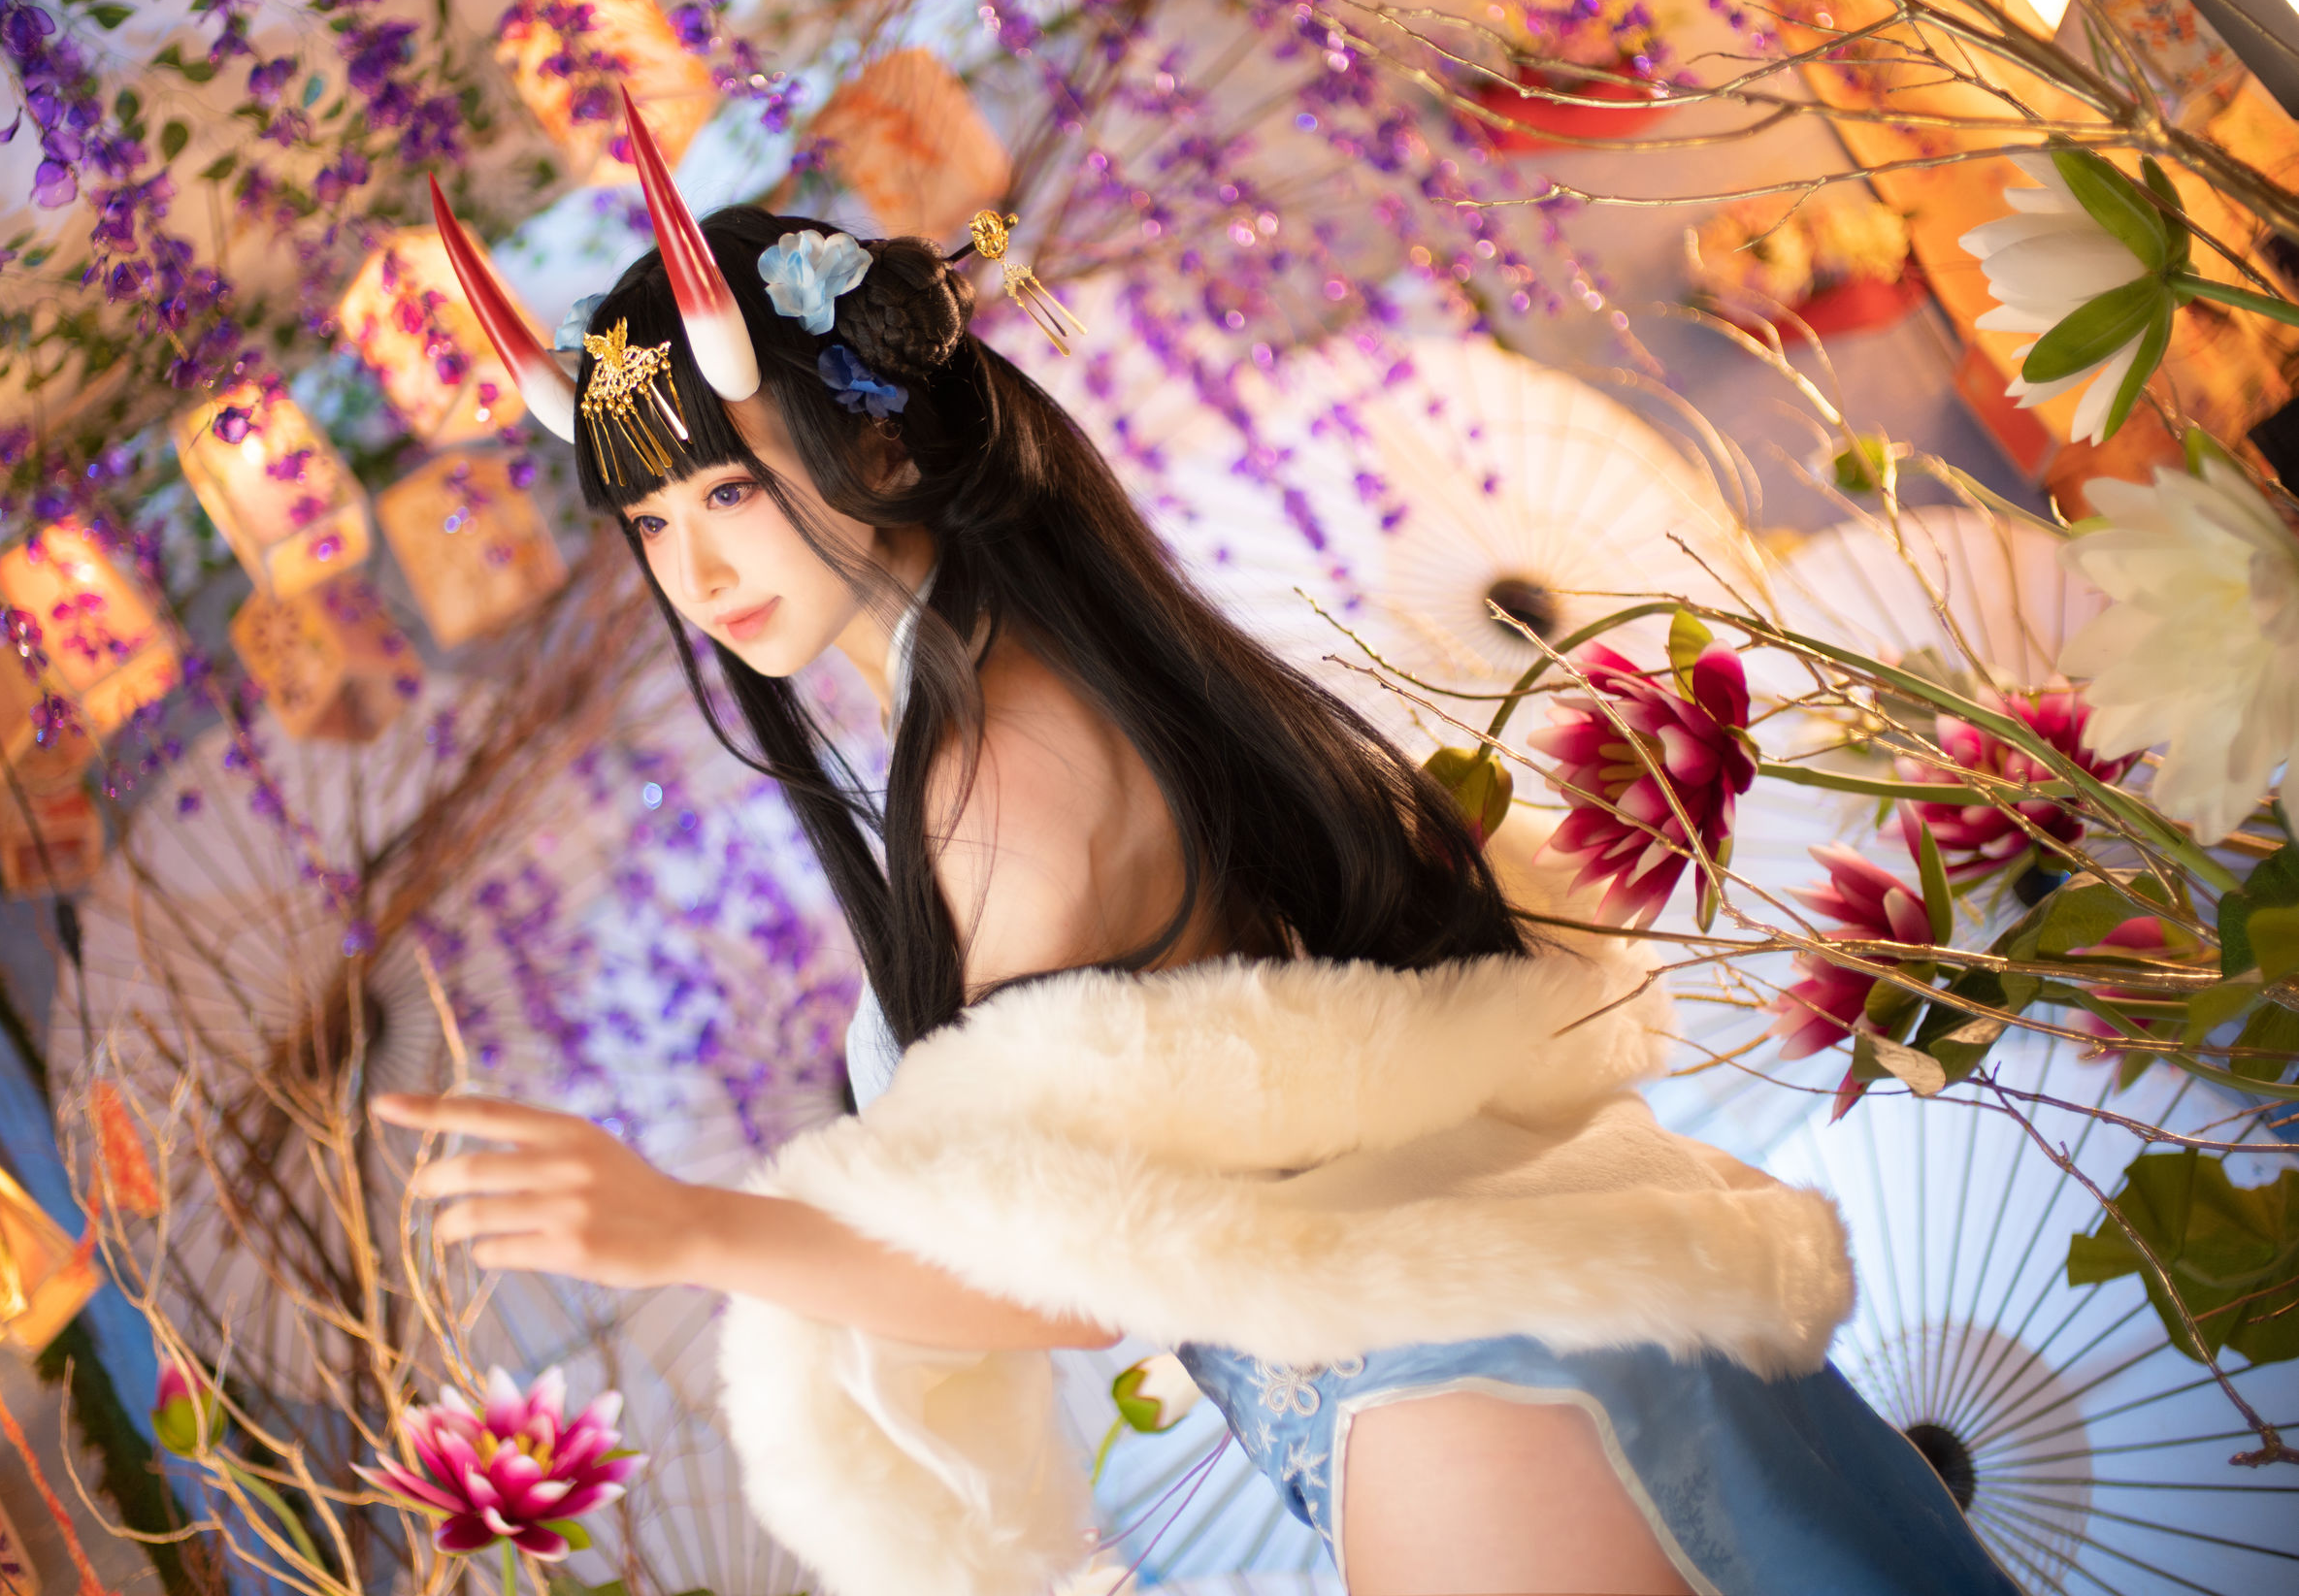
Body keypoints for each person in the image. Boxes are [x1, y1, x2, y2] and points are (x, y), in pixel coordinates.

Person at [375, 114, 2018, 1596]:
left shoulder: (998, 771)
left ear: (877, 447)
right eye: (650, 523)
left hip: (1456, 1398)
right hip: (1513, 1337)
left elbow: (1070, 1272)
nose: (692, 570)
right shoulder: (1043, 681)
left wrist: (681, 1232)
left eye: (726, 493)